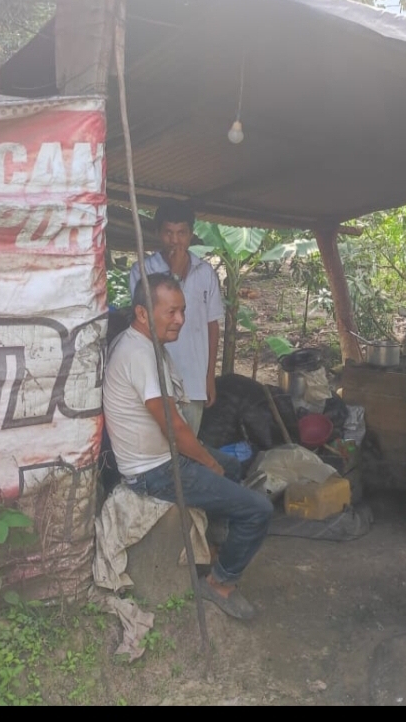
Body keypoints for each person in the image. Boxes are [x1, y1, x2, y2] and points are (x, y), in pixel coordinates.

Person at [103, 273, 272, 620]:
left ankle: (215, 547)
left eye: (182, 310)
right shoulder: (139, 355)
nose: (180, 319)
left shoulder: (142, 344)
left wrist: (212, 462)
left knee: (233, 466)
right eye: (172, 312)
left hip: (161, 458)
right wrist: (208, 463)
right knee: (258, 510)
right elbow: (174, 427)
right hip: (154, 471)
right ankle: (219, 583)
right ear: (142, 313)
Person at [129, 198, 224, 437]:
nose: (175, 240)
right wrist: (174, 274)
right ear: (158, 234)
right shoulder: (142, 271)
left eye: (181, 233)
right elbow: (142, 324)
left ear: (191, 235)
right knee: (159, 447)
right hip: (156, 382)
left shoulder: (205, 272)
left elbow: (212, 327)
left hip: (194, 381)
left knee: (188, 447)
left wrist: (209, 376)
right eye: (168, 233)